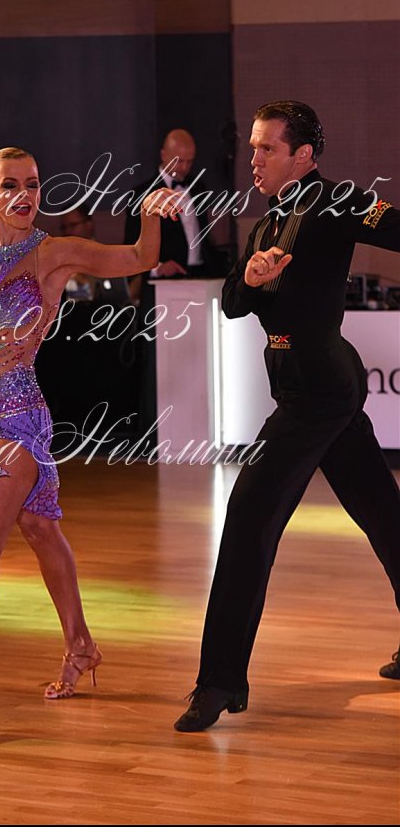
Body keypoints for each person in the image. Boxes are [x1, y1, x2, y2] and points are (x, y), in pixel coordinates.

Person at [0, 146, 177, 726]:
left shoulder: (54, 252)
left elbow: (141, 257)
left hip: (18, 416)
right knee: (41, 529)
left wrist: (149, 213)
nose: (25, 195)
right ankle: (81, 646)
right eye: (11, 185)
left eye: (34, 184)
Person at [174, 101, 400, 732]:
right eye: (252, 147)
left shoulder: (340, 200)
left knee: (249, 512)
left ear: (303, 155)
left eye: (267, 148)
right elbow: (231, 303)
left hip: (319, 392)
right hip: (306, 387)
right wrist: (249, 278)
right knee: (384, 514)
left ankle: (219, 681)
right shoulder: (267, 221)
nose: (254, 159)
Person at [124, 128, 225, 295]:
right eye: (179, 161)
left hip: (200, 275)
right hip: (163, 282)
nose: (184, 167)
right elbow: (132, 247)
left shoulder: (198, 187)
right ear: (164, 155)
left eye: (189, 162)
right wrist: (158, 268)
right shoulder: (142, 194)